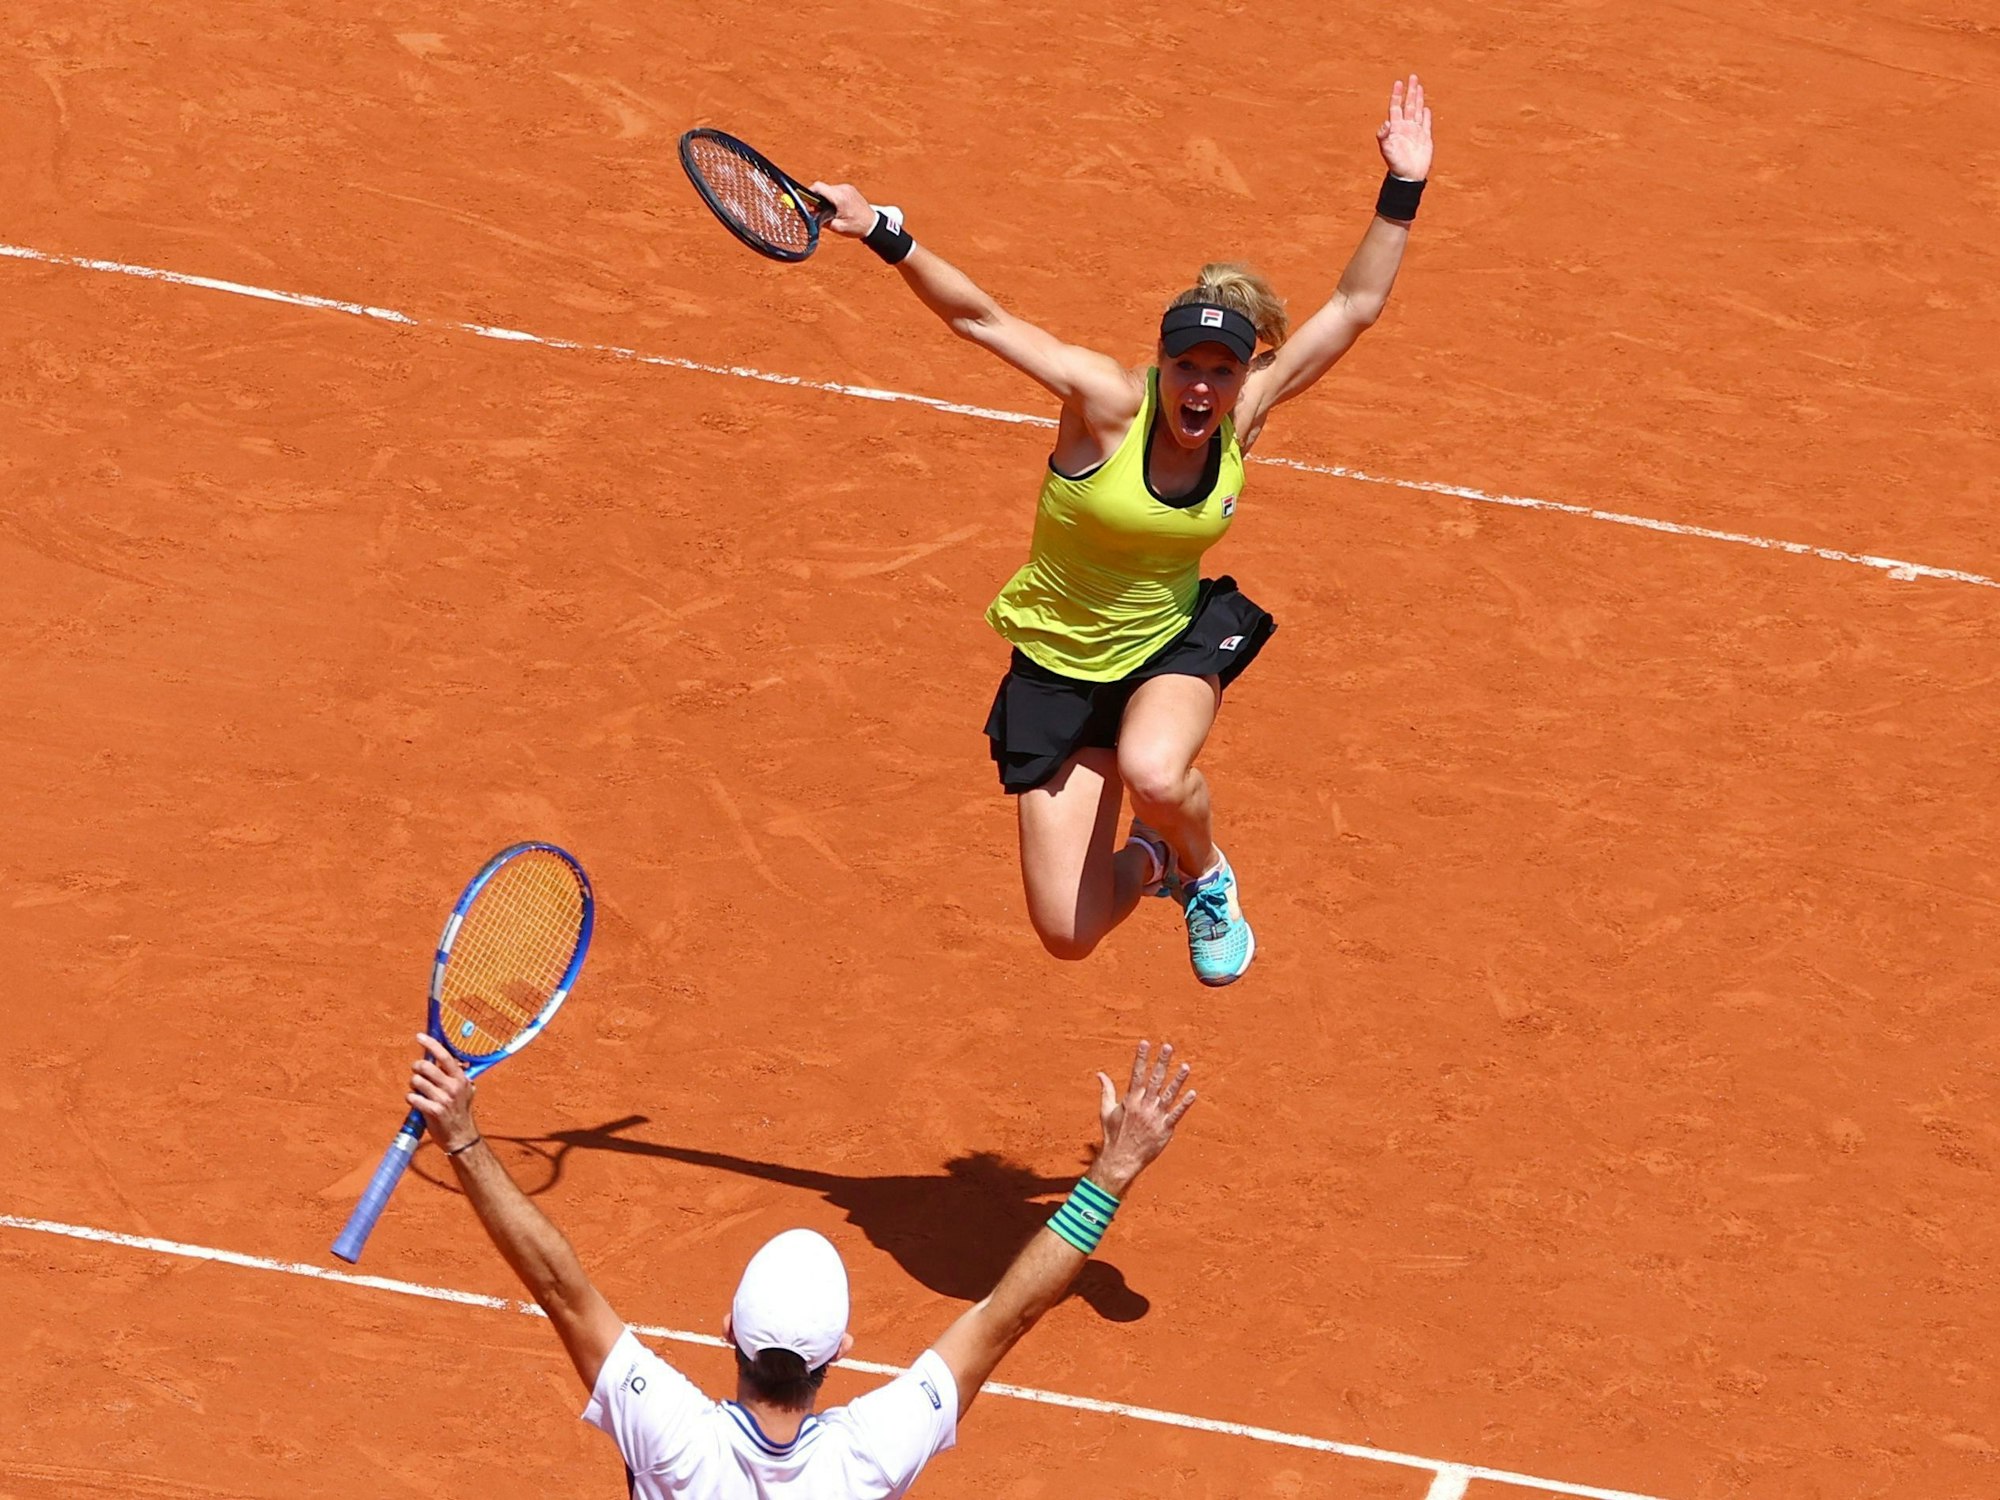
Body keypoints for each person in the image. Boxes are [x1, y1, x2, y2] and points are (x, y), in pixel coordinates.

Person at [808, 76, 1436, 986]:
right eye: (1188, 365)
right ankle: (1154, 859)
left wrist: (1403, 189)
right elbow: (980, 318)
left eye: (1223, 371)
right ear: (1163, 361)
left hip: (1166, 646)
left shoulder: (1246, 414)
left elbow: (1352, 308)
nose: (1203, 388)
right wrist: (883, 231)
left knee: (1152, 764)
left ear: (1241, 374)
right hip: (1057, 667)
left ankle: (1206, 869)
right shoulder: (1105, 406)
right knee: (1067, 931)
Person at [403, 1032, 1198, 1498]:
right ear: (841, 1351)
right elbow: (1007, 1315)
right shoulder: (869, 1455)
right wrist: (1113, 1170)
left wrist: (465, 1141)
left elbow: (556, 1284)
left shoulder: (673, 1440)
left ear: (728, 1334)